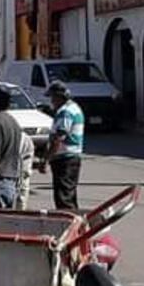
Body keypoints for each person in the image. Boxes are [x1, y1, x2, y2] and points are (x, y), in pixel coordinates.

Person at [46, 80, 84, 210]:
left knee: (63, 198)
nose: (51, 101)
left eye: (52, 97)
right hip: (71, 158)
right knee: (69, 195)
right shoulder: (74, 108)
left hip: (65, 159)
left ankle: (68, 225)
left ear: (58, 97)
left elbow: (58, 138)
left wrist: (46, 159)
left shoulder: (65, 112)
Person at [15, 132, 36, 210]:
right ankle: (21, 210)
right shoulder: (26, 138)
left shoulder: (24, 138)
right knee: (22, 192)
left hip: (16, 170)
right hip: (23, 169)